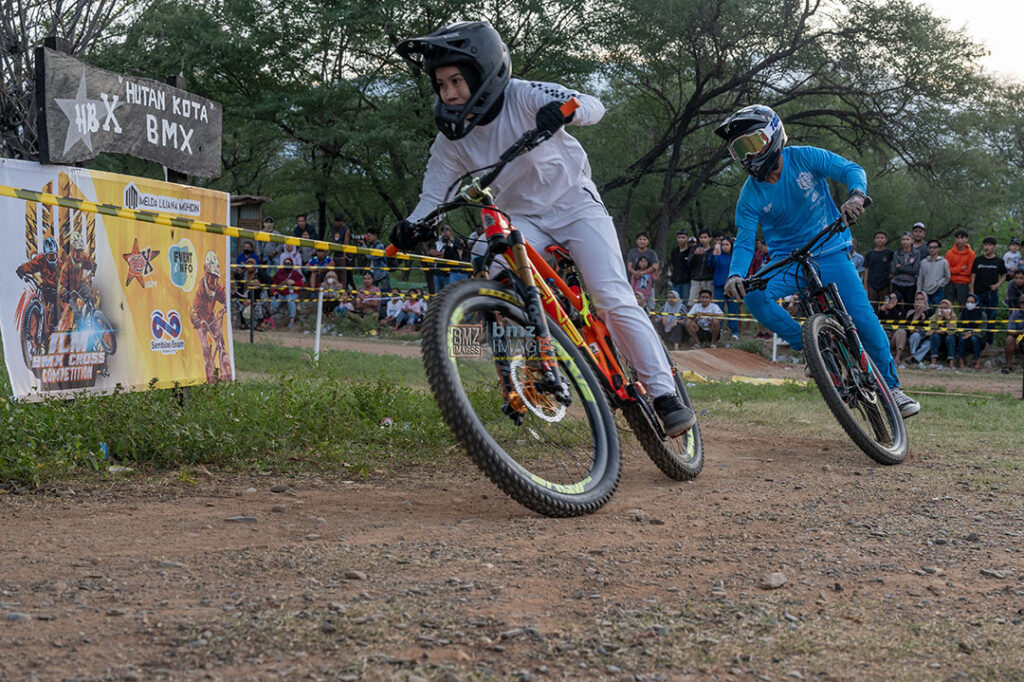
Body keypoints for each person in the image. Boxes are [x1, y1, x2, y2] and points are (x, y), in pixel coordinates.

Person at [390, 20, 695, 435]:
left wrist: (564, 112)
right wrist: (411, 226)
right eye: (441, 85)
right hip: (521, 219)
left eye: (457, 81)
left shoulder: (523, 95)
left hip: (574, 204)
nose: (450, 93)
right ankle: (538, 356)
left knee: (610, 296)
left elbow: (592, 104)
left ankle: (664, 395)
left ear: (484, 72)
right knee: (487, 257)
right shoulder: (451, 142)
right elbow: (432, 198)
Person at [714, 104, 919, 417]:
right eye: (739, 150)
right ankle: (812, 348)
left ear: (773, 135)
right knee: (754, 296)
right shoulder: (750, 194)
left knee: (864, 321)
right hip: (787, 263)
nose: (748, 156)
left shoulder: (805, 157)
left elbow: (851, 170)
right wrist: (736, 275)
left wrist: (856, 196)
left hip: (830, 250)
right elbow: (744, 240)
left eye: (752, 144)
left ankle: (892, 389)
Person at [191, 251, 229, 382]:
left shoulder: (216, 287)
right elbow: (193, 308)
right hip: (201, 319)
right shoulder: (201, 288)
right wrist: (197, 321)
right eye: (211, 277)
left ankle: (224, 368)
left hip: (211, 316)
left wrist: (227, 303)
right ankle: (210, 371)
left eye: (215, 277)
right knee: (206, 348)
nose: (213, 280)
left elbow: (223, 295)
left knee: (221, 338)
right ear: (207, 274)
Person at [16, 236, 61, 333]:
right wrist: (22, 269)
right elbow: (31, 265)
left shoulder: (60, 264)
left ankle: (53, 324)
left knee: (57, 302)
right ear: (45, 255)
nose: (52, 259)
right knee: (36, 298)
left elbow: (65, 278)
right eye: (49, 256)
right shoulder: (40, 260)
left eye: (53, 256)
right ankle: (32, 319)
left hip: (55, 289)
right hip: (44, 287)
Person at [970, 235, 1007, 344]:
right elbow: (973, 275)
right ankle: (977, 339)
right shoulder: (978, 260)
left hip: (992, 293)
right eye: (985, 245)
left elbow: (1004, 275)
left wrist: (997, 285)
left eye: (990, 245)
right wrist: (971, 290)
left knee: (991, 316)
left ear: (994, 247)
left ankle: (989, 341)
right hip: (978, 293)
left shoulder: (999, 261)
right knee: (978, 315)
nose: (987, 247)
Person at [57, 232, 97, 332]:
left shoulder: (84, 257)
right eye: (76, 251)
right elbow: (61, 284)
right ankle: (79, 328)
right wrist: (65, 292)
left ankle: (93, 319)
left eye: (80, 251)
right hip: (70, 290)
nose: (78, 254)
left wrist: (93, 268)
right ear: (71, 250)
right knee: (76, 311)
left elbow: (92, 264)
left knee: (91, 300)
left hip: (80, 284)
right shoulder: (67, 266)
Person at [709, 236, 740, 340]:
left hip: (732, 286)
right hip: (719, 286)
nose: (725, 247)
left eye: (727, 244)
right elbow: (710, 266)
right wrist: (713, 256)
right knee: (719, 309)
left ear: (731, 245)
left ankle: (734, 331)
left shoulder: (735, 257)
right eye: (723, 245)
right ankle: (719, 329)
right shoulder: (717, 256)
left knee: (733, 309)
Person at [428, 224, 465, 292]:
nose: (444, 234)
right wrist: (445, 254)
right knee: (437, 293)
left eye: (446, 231)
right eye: (443, 232)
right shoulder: (438, 242)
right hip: (437, 273)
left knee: (447, 293)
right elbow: (431, 252)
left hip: (449, 274)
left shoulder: (456, 242)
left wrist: (440, 255)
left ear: (451, 232)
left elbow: (456, 255)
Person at [862, 230, 893, 307]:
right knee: (872, 306)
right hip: (872, 284)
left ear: (886, 240)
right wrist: (865, 285)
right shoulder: (870, 254)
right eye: (877, 237)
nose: (880, 239)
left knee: (885, 306)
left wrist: (892, 274)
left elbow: (895, 264)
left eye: (882, 238)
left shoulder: (890, 253)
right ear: (874, 240)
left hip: (885, 284)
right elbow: (866, 270)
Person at [270, 257, 304, 329]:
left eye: (289, 263)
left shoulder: (295, 273)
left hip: (292, 293)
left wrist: (294, 282)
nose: (287, 264)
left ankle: (292, 320)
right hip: (281, 293)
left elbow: (301, 285)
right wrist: (274, 292)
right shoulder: (279, 272)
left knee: (290, 300)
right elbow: (274, 284)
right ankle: (271, 320)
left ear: (292, 264)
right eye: (285, 263)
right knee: (274, 301)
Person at [902, 290, 934, 366]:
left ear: (925, 300)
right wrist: (912, 330)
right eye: (917, 299)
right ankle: (913, 355)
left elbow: (930, 327)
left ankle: (912, 358)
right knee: (915, 335)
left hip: (925, 337)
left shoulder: (930, 312)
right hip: (913, 337)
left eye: (922, 299)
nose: (919, 301)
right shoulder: (910, 313)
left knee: (929, 344)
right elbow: (906, 326)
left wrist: (924, 319)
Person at [956, 293, 987, 370]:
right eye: (968, 302)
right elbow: (958, 328)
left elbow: (982, 330)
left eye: (972, 302)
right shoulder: (962, 314)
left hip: (978, 339)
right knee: (962, 339)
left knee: (974, 339)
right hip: (965, 336)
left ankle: (978, 362)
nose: (969, 304)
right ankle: (961, 362)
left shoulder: (982, 315)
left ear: (977, 303)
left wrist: (971, 334)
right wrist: (965, 334)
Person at [944, 229, 974, 306]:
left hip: (964, 283)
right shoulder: (949, 253)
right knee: (948, 304)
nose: (959, 240)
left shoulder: (971, 254)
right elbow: (947, 270)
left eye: (962, 238)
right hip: (950, 282)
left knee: (963, 305)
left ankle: (962, 314)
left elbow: (969, 271)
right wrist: (961, 268)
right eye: (957, 238)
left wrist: (954, 271)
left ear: (966, 239)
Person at [916, 239, 950, 307]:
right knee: (924, 309)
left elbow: (947, 277)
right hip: (925, 290)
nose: (932, 249)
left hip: (938, 290)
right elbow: (920, 278)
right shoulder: (923, 262)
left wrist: (939, 284)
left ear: (938, 249)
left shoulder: (943, 262)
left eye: (934, 247)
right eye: (930, 247)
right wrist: (919, 291)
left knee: (937, 309)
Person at [890, 231, 920, 308]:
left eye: (907, 239)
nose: (905, 241)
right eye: (903, 239)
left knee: (909, 305)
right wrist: (908, 267)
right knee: (895, 305)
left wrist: (901, 267)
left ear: (912, 241)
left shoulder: (916, 253)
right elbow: (894, 270)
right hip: (897, 282)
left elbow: (915, 270)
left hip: (910, 283)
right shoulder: (897, 253)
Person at [925, 298, 957, 369]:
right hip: (938, 337)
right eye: (941, 308)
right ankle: (933, 361)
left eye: (945, 308)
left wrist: (948, 319)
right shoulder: (934, 317)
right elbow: (929, 331)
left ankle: (951, 362)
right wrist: (938, 323)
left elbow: (952, 331)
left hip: (949, 337)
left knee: (950, 338)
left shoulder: (953, 317)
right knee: (935, 336)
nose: (943, 310)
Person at [687, 229, 715, 305]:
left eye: (705, 237)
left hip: (708, 280)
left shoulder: (712, 251)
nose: (703, 239)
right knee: (691, 303)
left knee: (709, 303)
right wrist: (694, 255)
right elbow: (689, 264)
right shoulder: (694, 249)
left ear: (709, 238)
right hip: (696, 280)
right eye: (701, 237)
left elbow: (714, 266)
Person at [876, 292, 905, 364]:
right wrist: (881, 311)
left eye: (894, 298)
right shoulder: (884, 309)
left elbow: (899, 322)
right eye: (890, 298)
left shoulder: (901, 310)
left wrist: (893, 309)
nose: (891, 300)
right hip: (885, 335)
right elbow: (877, 322)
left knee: (901, 332)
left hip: (894, 336)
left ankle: (898, 357)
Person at [668, 230, 692, 303]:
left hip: (687, 281)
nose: (681, 239)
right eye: (679, 237)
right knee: (675, 301)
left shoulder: (691, 251)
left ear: (687, 239)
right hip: (676, 281)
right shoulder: (674, 251)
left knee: (686, 301)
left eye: (683, 237)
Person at [1002, 295, 1024, 374]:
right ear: (1019, 304)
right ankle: (1008, 365)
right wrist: (1021, 332)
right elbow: (1010, 330)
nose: (1023, 305)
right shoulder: (1014, 315)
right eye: (1022, 303)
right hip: (1019, 338)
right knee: (1009, 339)